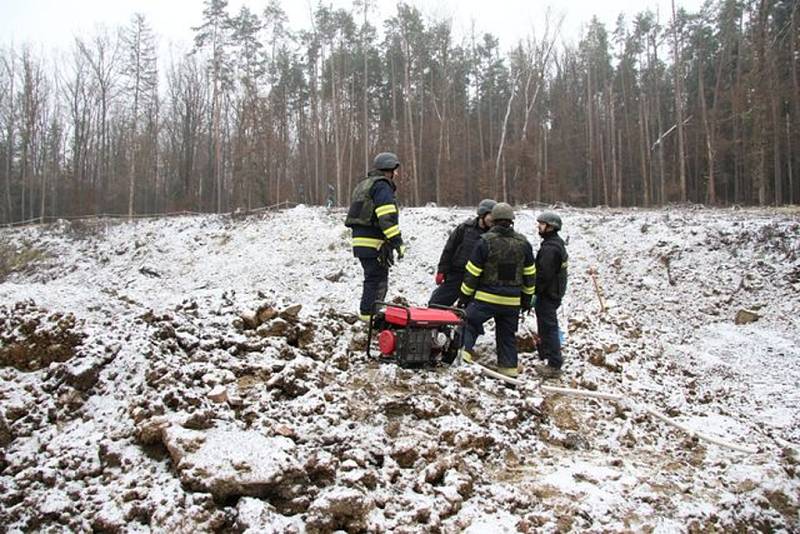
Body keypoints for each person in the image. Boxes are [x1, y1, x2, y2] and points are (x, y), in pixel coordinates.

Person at [457, 203, 536, 377]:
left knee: (467, 323)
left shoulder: (485, 241)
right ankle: (509, 375)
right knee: (507, 338)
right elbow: (530, 275)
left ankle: (462, 361)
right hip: (512, 303)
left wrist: (464, 296)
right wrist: (526, 299)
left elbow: (472, 272)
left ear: (493, 221)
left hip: (486, 299)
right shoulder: (523, 244)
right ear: (511, 222)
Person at [344, 152, 406, 322]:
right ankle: (369, 317)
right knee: (377, 279)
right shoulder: (382, 186)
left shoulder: (364, 185)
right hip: (374, 242)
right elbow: (386, 217)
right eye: (395, 170)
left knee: (371, 278)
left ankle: (368, 314)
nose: (396, 174)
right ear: (389, 170)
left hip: (360, 241)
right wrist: (397, 242)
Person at [428, 199, 496, 307]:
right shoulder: (464, 229)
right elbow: (449, 250)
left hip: (478, 280)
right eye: (491, 215)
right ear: (482, 214)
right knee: (436, 304)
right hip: (457, 275)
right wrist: (442, 270)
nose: (493, 219)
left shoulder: (494, 235)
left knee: (469, 312)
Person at [533, 211, 568, 379]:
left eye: (542, 224)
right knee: (546, 325)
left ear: (550, 227)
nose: (538, 227)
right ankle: (546, 353)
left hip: (548, 294)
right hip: (552, 293)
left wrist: (533, 291)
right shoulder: (554, 244)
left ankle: (554, 364)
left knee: (549, 327)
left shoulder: (550, 248)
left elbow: (543, 275)